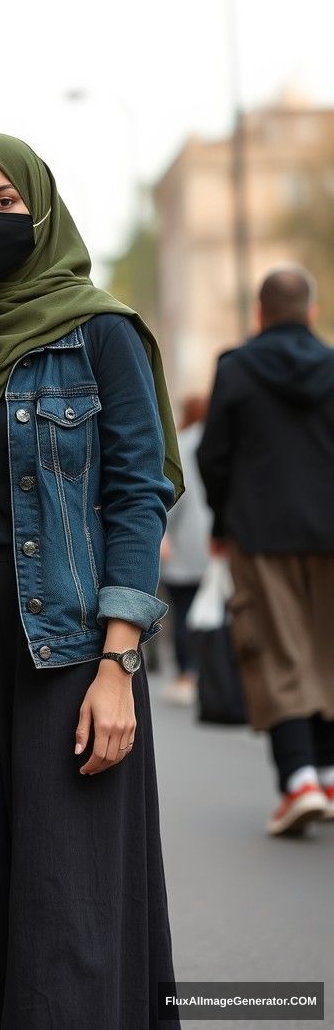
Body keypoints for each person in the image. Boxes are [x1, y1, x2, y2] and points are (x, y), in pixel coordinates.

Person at [0, 134, 184, 1030]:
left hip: (68, 638)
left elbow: (138, 495)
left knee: (70, 896)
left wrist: (120, 663)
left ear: (41, 211)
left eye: (3, 200)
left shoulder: (101, 330)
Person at [197, 265, 334, 837]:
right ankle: (327, 774)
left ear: (258, 313)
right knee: (327, 651)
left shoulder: (237, 368)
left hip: (262, 530)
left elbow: (214, 454)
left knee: (279, 652)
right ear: (312, 312)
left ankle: (299, 778)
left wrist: (224, 521)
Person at [159, 395, 212, 706]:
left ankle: (187, 675)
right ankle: (213, 673)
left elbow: (175, 492)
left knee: (184, 612)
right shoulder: (228, 440)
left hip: (184, 543)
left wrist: (162, 534)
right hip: (217, 544)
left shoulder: (183, 444)